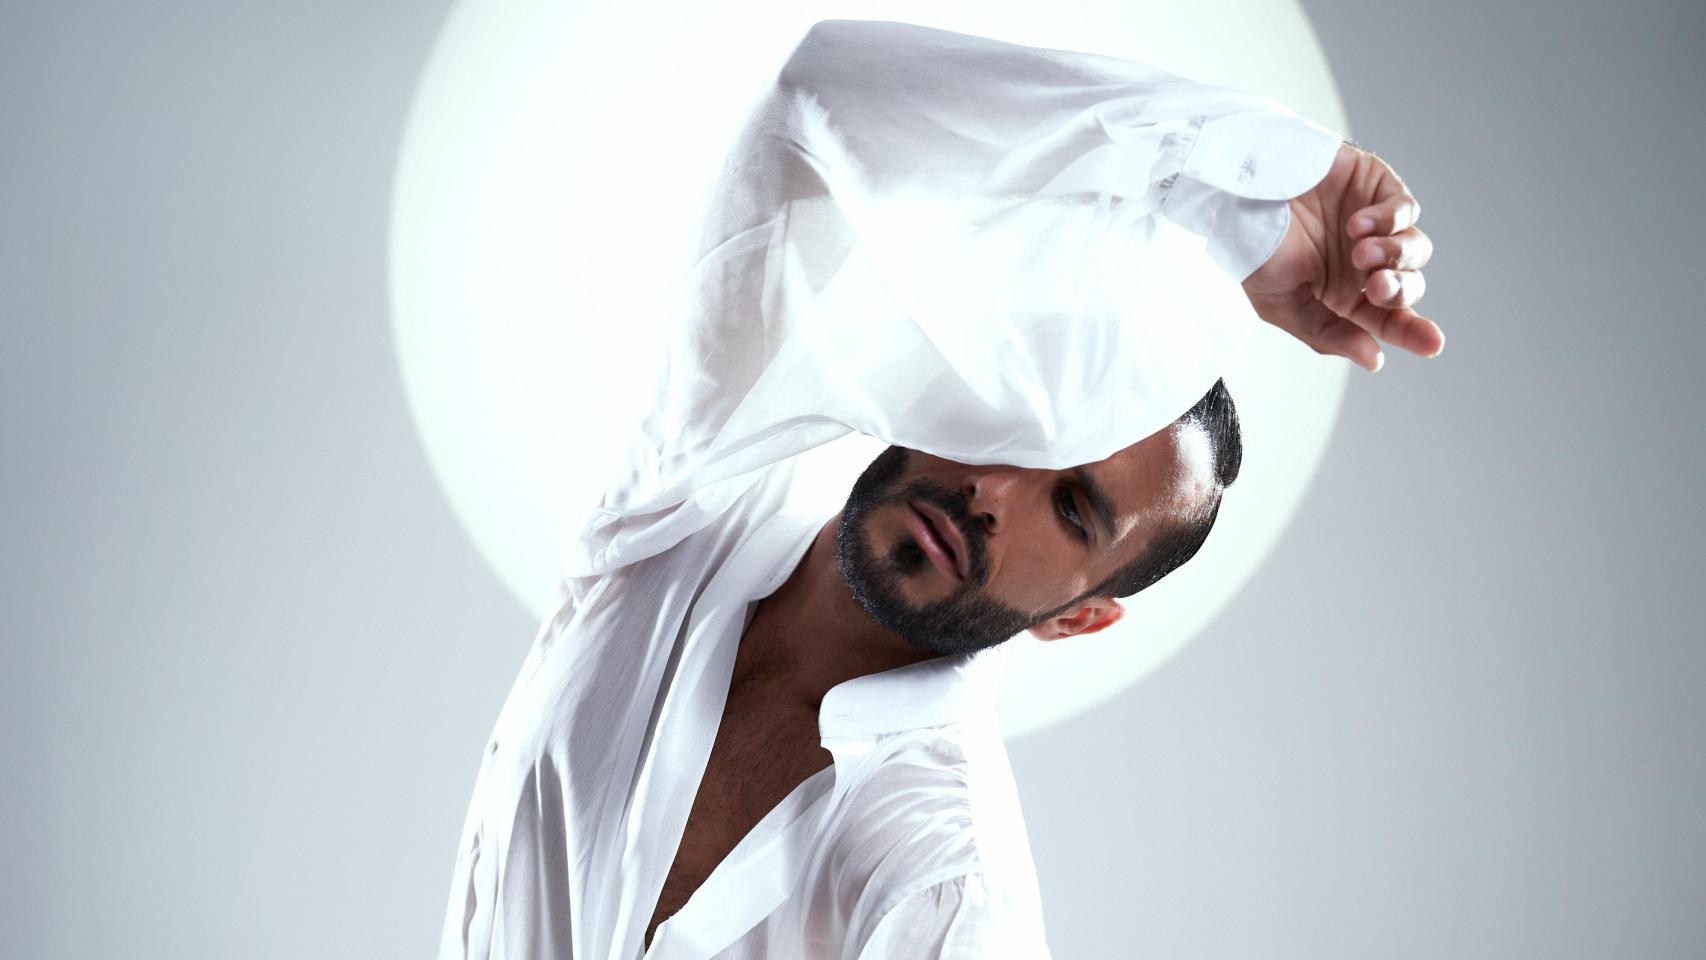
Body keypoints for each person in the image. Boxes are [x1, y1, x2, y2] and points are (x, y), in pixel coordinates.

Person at [437, 18, 1439, 960]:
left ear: (1079, 618)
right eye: (1026, 418)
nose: (992, 488)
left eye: (1070, 505)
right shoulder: (679, 518)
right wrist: (1245, 192)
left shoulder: (945, 880)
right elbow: (817, 93)